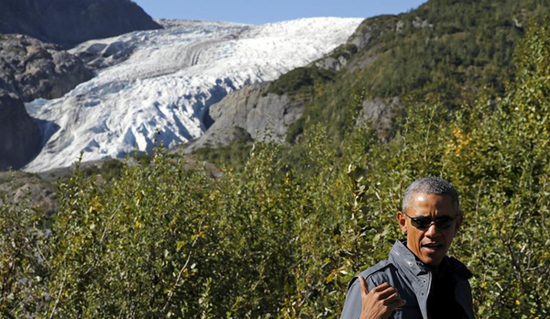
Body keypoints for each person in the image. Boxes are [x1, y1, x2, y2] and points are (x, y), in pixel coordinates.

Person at [340, 177, 475, 319]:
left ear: (457, 224)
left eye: (444, 222)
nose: (432, 232)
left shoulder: (459, 281)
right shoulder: (374, 285)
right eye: (421, 222)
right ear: (403, 222)